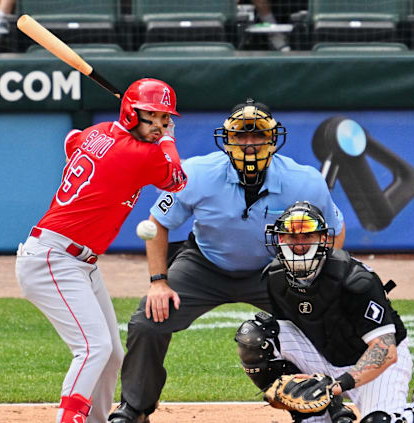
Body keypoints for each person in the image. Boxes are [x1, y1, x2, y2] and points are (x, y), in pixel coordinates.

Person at [108, 99, 346, 423]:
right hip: (204, 264)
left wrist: (317, 280)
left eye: (258, 135)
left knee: (319, 315)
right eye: (240, 136)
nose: (249, 144)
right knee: (147, 322)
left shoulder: (303, 180)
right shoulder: (195, 173)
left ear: (273, 139)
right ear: (227, 140)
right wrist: (158, 283)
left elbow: (334, 228)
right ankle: (134, 408)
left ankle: (324, 404)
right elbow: (158, 223)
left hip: (274, 269)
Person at [15, 78, 188, 423]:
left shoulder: (101, 131)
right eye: (151, 117)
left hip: (79, 261)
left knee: (111, 356)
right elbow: (176, 179)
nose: (158, 126)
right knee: (94, 347)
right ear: (130, 112)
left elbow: (71, 141)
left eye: (164, 118)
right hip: (53, 258)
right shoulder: (139, 154)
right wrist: (168, 138)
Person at [235, 201, 414, 423]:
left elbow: (385, 349)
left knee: (378, 421)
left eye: (307, 236)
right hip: (324, 354)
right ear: (280, 239)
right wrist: (279, 393)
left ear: (323, 239)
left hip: (375, 361)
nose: (299, 244)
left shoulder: (355, 280)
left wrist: (337, 386)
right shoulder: (274, 278)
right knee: (254, 336)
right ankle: (313, 416)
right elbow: (284, 353)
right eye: (292, 237)